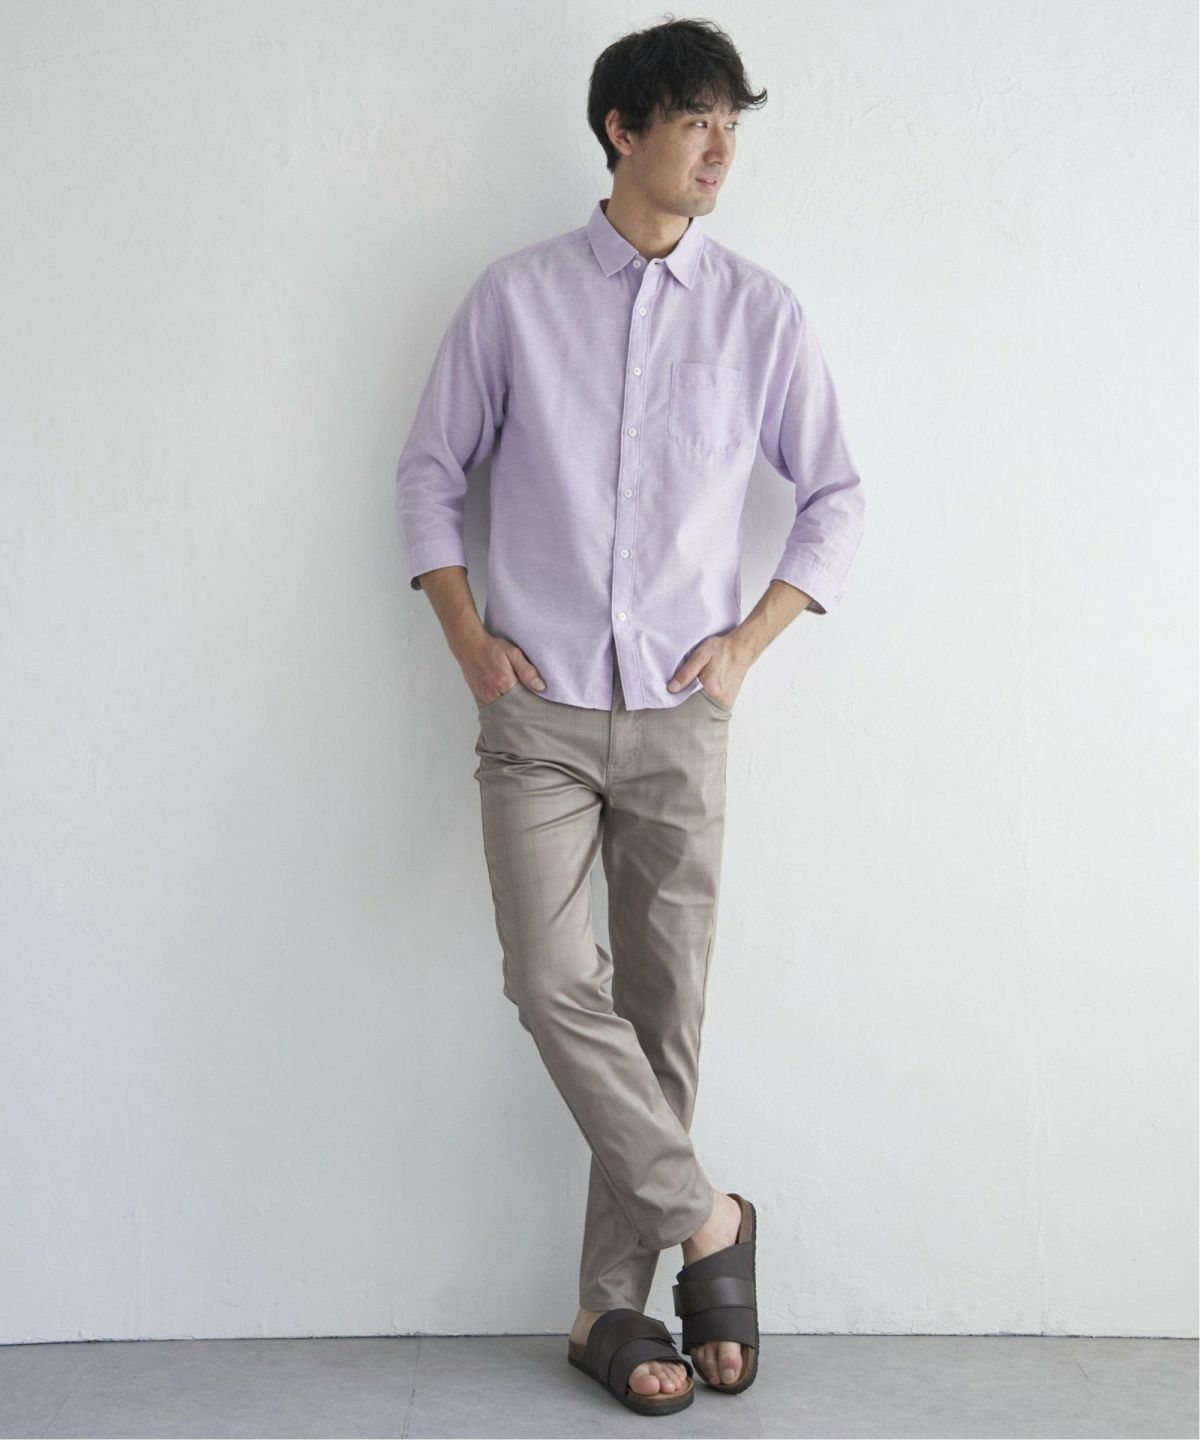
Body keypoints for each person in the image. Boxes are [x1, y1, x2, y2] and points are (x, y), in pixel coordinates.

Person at [395, 16, 866, 1417]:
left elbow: (836, 497)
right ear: (623, 129)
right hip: (536, 710)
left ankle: (609, 1306)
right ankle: (712, 1222)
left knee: (665, 1014)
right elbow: (429, 473)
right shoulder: (514, 300)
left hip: (679, 711)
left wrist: (746, 648)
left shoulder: (760, 314)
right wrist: (469, 641)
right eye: (697, 119)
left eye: (733, 123)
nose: (722, 148)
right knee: (551, 981)